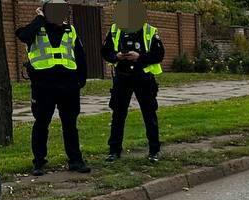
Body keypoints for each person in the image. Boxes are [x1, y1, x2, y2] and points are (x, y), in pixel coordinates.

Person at [15, 0, 90, 176]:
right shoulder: (35, 29)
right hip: (43, 86)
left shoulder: (70, 30)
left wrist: (80, 81)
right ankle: (39, 162)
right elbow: (23, 35)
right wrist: (40, 18)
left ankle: (75, 161)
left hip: (68, 86)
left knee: (70, 125)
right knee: (41, 124)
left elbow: (80, 56)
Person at [101, 0, 165, 163]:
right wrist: (116, 56)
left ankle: (154, 151)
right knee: (118, 115)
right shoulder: (115, 30)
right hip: (122, 77)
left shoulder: (150, 30)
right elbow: (105, 51)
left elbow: (159, 55)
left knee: (149, 114)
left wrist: (139, 57)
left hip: (143, 77)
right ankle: (114, 151)